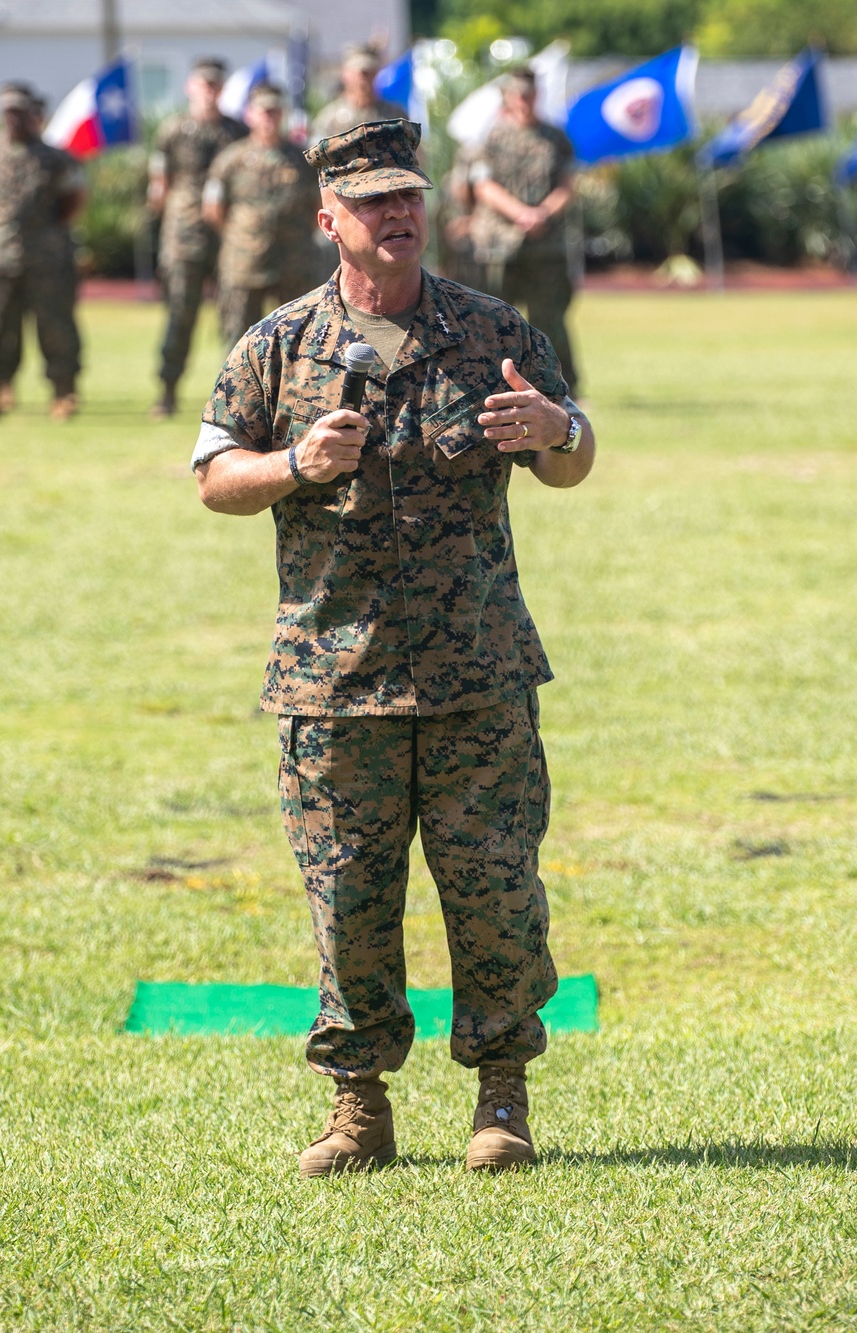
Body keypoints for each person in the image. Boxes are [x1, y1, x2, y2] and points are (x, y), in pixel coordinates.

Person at [191, 120, 594, 1177]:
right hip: (334, 678)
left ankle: (501, 1100)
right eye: (372, 202)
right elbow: (212, 477)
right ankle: (358, 1108)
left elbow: (571, 455)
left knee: (497, 891)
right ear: (329, 220)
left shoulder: (490, 327)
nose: (397, 214)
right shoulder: (279, 345)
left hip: (478, 677)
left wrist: (558, 430)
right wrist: (294, 464)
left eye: (406, 196)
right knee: (347, 900)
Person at [0, 82, 84, 422]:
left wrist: (48, 229)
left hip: (47, 258)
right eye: (7, 112)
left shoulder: (54, 159)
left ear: (32, 115)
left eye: (19, 112)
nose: (13, 119)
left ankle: (62, 391)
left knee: (55, 327)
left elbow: (73, 199)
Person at [470, 67, 581, 396]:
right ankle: (491, 387)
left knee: (551, 321)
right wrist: (519, 213)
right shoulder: (492, 136)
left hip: (545, 246)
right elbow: (483, 186)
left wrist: (542, 213)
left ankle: (564, 390)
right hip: (499, 245)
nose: (524, 101)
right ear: (508, 96)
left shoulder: (556, 138)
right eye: (517, 94)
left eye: (529, 94)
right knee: (495, 324)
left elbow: (567, 184)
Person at [148, 57, 247, 418]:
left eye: (215, 84)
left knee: (234, 320)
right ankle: (167, 391)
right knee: (180, 315)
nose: (209, 91)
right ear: (191, 86)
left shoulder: (236, 131)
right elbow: (159, 184)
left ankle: (236, 398)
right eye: (203, 84)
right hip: (184, 236)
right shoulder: (173, 130)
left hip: (229, 238)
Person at [202, 84, 320, 350]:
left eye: (275, 111)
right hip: (244, 264)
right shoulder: (231, 159)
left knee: (297, 339)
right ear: (250, 115)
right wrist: (240, 236)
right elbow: (213, 209)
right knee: (239, 340)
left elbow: (318, 207)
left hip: (293, 262)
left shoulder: (302, 159)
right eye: (263, 111)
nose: (269, 117)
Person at [310, 46, 406, 141]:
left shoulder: (394, 117)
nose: (363, 78)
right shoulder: (330, 119)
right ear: (345, 74)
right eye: (359, 73)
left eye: (369, 72)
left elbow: (412, 151)